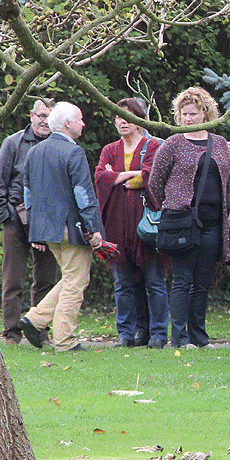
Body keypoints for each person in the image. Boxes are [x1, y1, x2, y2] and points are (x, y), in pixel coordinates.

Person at [147, 87, 230, 349]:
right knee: (182, 280)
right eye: (183, 114)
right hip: (181, 222)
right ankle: (179, 338)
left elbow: (226, 179)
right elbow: (154, 182)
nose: (187, 119)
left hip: (213, 222)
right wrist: (171, 205)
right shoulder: (172, 144)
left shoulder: (219, 144)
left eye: (193, 113)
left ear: (205, 112)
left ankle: (199, 337)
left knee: (202, 282)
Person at [18, 102, 104, 352]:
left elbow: (28, 194)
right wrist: (94, 228)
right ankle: (65, 340)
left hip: (45, 229)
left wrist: (34, 227)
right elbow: (83, 195)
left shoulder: (35, 151)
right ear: (68, 124)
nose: (83, 124)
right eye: (79, 119)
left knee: (70, 277)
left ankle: (35, 320)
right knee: (76, 282)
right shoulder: (73, 152)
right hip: (70, 226)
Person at [94, 98, 167, 349]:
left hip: (145, 225)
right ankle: (128, 333)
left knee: (154, 281)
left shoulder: (153, 145)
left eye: (128, 116)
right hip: (116, 226)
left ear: (139, 120)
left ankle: (158, 334)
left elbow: (150, 176)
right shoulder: (110, 149)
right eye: (118, 116)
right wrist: (126, 176)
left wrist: (118, 177)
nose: (122, 121)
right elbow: (100, 178)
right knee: (123, 283)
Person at [0, 98, 58, 345]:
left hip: (48, 222)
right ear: (31, 115)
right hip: (15, 220)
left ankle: (39, 331)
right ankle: (11, 333)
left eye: (49, 116)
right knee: (13, 279)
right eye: (41, 115)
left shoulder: (57, 144)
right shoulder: (13, 143)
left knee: (47, 280)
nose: (44, 120)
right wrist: (7, 218)